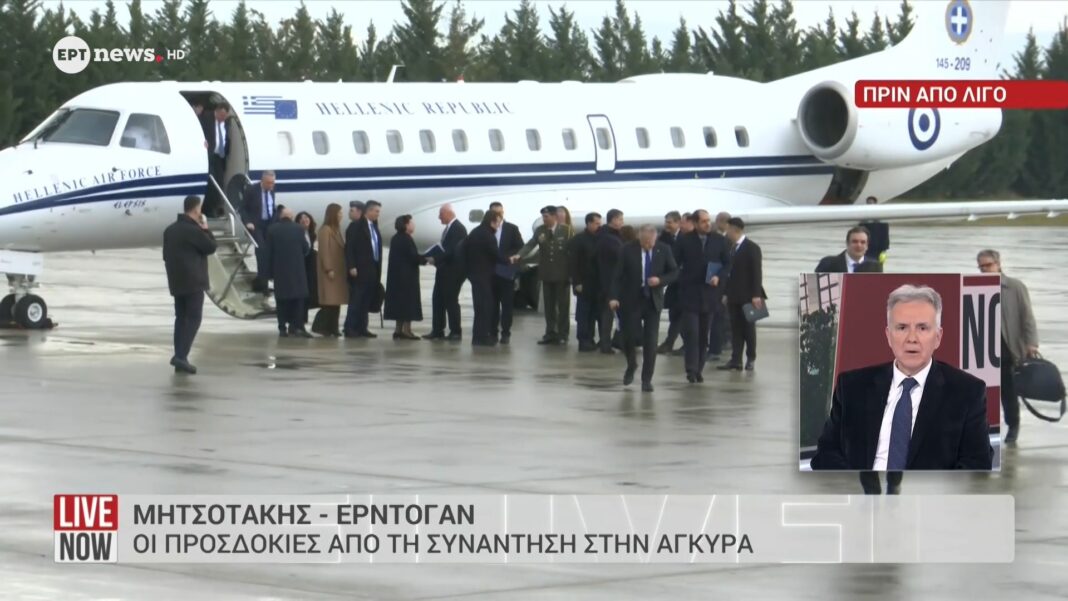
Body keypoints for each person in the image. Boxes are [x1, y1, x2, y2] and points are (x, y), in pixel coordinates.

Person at [810, 284, 993, 476]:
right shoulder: (852, 387)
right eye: (902, 327)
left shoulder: (967, 392)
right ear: (888, 336)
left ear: (938, 337)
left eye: (922, 328)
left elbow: (977, 466)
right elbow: (825, 455)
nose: (912, 338)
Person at [978, 249, 1040, 444]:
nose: (984, 270)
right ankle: (984, 429)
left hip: (1008, 349)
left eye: (988, 265)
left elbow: (1027, 317)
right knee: (983, 394)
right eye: (981, 267)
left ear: (998, 264)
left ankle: (1013, 426)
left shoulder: (1015, 287)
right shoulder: (977, 287)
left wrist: (1031, 343)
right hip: (984, 350)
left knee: (1009, 393)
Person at [609, 224, 679, 392]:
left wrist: (660, 280)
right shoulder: (627, 250)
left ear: (655, 238)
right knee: (628, 336)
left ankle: (646, 379)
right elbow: (617, 275)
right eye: (645, 242)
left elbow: (674, 272)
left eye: (651, 242)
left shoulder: (664, 249)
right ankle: (631, 364)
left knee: (651, 341)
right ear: (639, 237)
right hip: (631, 299)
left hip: (652, 300)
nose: (648, 245)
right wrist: (613, 297)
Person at [162, 195, 217, 374]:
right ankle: (181, 356)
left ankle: (180, 357)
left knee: (180, 318)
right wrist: (206, 229)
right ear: (196, 210)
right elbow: (211, 247)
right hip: (194, 281)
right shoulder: (194, 231)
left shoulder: (170, 230)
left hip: (176, 281)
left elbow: (165, 256)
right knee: (194, 318)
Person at [676, 210, 731, 383]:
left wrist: (719, 276)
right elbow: (675, 263)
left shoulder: (719, 240)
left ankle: (699, 369)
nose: (707, 224)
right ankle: (691, 368)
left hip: (710, 294)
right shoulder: (684, 240)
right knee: (692, 333)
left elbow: (728, 264)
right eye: (703, 221)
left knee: (703, 334)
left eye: (708, 220)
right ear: (695, 223)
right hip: (690, 293)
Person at [513, 205, 574, 345]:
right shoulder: (541, 230)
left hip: (562, 275)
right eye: (543, 217)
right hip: (547, 274)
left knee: (563, 306)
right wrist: (519, 255)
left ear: (554, 216)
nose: (544, 219)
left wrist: (572, 273)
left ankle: (563, 334)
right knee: (549, 306)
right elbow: (530, 244)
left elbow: (572, 252)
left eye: (546, 217)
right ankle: (550, 333)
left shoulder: (566, 231)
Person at [719, 217, 766, 371]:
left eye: (728, 230)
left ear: (734, 230)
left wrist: (756, 295)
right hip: (734, 295)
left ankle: (751, 358)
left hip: (749, 296)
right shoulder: (731, 248)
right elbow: (729, 273)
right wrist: (726, 293)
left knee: (749, 329)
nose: (726, 233)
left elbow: (757, 272)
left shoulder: (752, 248)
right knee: (736, 329)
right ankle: (736, 360)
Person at [466, 211, 510, 346]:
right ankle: (483, 337)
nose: (498, 225)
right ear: (492, 221)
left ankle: (477, 337)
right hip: (484, 276)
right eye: (498, 222)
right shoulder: (488, 236)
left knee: (479, 307)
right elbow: (495, 255)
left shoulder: (475, 232)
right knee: (486, 307)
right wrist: (509, 260)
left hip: (474, 274)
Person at [424, 203, 467, 341]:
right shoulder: (449, 229)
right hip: (443, 270)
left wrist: (434, 259)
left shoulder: (458, 229)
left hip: (453, 272)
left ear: (449, 213)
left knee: (451, 301)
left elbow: (452, 251)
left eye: (441, 214)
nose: (439, 217)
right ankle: (437, 330)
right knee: (438, 300)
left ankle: (456, 331)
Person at [266, 208, 311, 338]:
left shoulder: (272, 229)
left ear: (281, 216)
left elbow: (268, 252)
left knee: (281, 301)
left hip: (280, 272)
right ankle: (296, 327)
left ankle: (282, 328)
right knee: (298, 300)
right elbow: (305, 248)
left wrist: (269, 273)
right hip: (297, 271)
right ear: (291, 217)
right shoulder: (299, 229)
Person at [344, 200, 383, 338]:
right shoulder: (356, 226)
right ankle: (350, 328)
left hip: (373, 269)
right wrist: (351, 266)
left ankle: (362, 328)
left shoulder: (374, 227)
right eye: (376, 211)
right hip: (360, 269)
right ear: (369, 211)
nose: (378, 214)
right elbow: (349, 248)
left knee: (366, 300)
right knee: (357, 300)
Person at [385, 215, 425, 340]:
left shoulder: (395, 238)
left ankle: (398, 330)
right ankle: (407, 330)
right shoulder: (407, 239)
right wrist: (425, 259)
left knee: (400, 305)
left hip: (397, 277)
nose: (413, 225)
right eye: (411, 223)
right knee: (408, 304)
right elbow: (413, 257)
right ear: (406, 225)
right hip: (407, 278)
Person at [489, 202, 524, 344]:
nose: (498, 215)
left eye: (500, 212)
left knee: (507, 305)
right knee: (492, 305)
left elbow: (520, 247)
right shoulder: (486, 229)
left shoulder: (511, 229)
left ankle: (506, 332)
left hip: (506, 272)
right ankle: (492, 332)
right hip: (491, 273)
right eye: (495, 213)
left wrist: (507, 258)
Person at [567, 212, 602, 352]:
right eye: (596, 223)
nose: (599, 226)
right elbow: (573, 263)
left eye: (600, 223)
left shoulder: (599, 239)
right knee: (583, 313)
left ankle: (590, 338)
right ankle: (583, 340)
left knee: (593, 313)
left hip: (596, 283)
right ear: (588, 223)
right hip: (583, 282)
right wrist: (577, 282)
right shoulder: (578, 240)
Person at [241, 170, 278, 292]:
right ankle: (263, 284)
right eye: (269, 183)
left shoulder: (272, 190)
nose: (271, 185)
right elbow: (243, 208)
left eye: (273, 183)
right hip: (256, 225)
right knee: (261, 251)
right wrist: (248, 222)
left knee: (270, 253)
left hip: (269, 225)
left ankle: (266, 281)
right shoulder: (252, 190)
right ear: (262, 181)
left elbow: (272, 207)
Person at [313, 203, 347, 337]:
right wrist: (328, 268)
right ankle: (321, 326)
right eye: (339, 213)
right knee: (329, 302)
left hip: (338, 272)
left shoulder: (336, 230)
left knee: (335, 302)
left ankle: (333, 328)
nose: (341, 215)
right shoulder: (325, 230)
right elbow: (324, 251)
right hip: (330, 272)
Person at [597, 209, 625, 354]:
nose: (622, 222)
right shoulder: (609, 238)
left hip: (608, 279)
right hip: (611, 280)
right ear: (613, 219)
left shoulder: (607, 236)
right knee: (609, 313)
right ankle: (606, 343)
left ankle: (610, 341)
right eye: (620, 219)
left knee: (609, 313)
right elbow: (620, 256)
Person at [657, 211, 683, 355]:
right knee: (674, 312)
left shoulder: (684, 237)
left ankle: (670, 342)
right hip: (672, 280)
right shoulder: (663, 238)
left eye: (669, 222)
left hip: (683, 280)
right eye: (666, 222)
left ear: (678, 223)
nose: (667, 225)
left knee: (680, 313)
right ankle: (670, 342)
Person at [815, 226, 883, 273]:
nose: (859, 245)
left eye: (863, 242)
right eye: (855, 241)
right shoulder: (828, 264)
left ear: (867, 245)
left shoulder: (875, 266)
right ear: (847, 243)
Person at [710, 211, 731, 357]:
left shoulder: (727, 240)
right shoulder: (718, 238)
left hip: (725, 282)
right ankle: (722, 342)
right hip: (720, 281)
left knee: (724, 315)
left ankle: (725, 340)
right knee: (722, 314)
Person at [205, 103, 232, 216]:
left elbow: (226, 139)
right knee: (212, 182)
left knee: (220, 182)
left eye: (225, 116)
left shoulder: (225, 123)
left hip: (219, 157)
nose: (223, 118)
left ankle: (217, 207)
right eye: (221, 115)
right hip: (209, 156)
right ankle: (208, 210)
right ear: (216, 111)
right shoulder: (207, 118)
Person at [295, 211, 319, 327]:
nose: (304, 220)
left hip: (310, 270)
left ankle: (303, 321)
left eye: (306, 217)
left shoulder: (312, 234)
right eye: (301, 218)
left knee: (308, 295)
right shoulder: (297, 234)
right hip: (301, 268)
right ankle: (299, 322)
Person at [860, 196, 890, 266]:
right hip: (867, 247)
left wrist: (884, 249)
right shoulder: (863, 220)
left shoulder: (882, 221)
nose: (870, 204)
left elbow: (885, 235)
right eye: (868, 203)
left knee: (877, 266)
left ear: (875, 204)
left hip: (878, 248)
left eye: (871, 203)